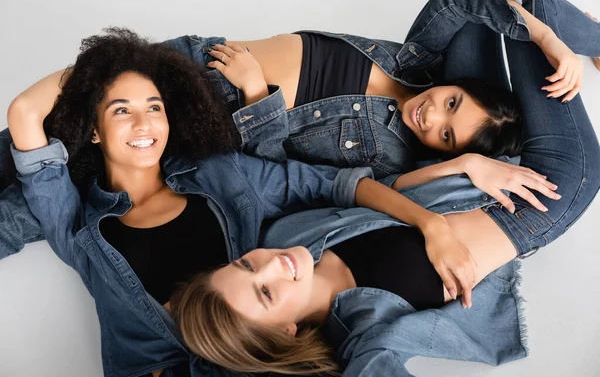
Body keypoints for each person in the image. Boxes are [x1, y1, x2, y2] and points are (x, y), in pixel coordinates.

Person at [164, 0, 600, 375]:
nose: (271, 266)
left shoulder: (288, 233)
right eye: (266, 293)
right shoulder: (364, 337)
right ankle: (581, 33)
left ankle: (573, 33)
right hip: (538, 200)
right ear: (285, 333)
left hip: (463, 171)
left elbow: (367, 187)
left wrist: (459, 171)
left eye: (246, 266)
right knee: (523, 10)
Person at [4, 27, 477, 377]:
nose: (144, 124)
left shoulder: (223, 175)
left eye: (154, 108)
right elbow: (26, 119)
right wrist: (101, 73)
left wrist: (431, 224)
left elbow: (339, 185)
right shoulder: (85, 233)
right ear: (93, 130)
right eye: (121, 111)